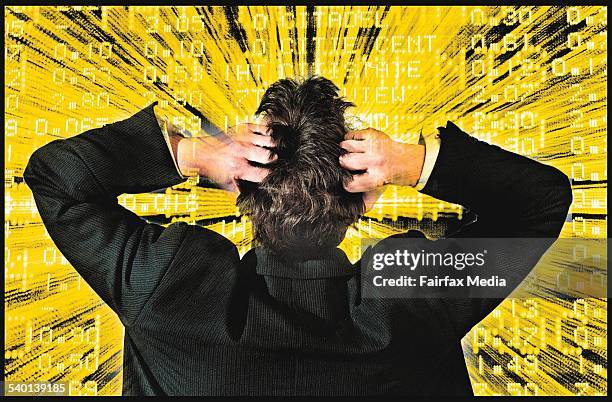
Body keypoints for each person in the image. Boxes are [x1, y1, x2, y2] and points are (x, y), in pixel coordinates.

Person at [24, 77, 572, 396]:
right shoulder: (412, 295)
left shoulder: (172, 285)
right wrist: (413, 162)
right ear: (368, 197)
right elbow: (540, 200)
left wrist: (192, 153)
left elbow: (56, 178)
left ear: (240, 190)